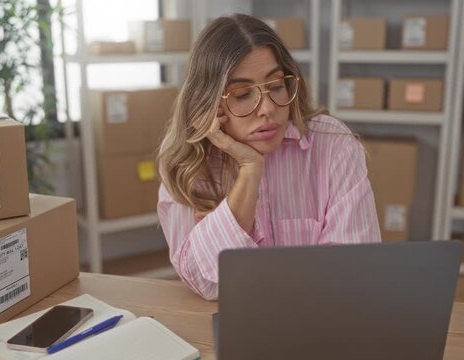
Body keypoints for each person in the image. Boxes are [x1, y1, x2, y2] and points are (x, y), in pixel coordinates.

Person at [157, 14, 381, 300]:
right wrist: (250, 169)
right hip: (231, 326)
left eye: (276, 86)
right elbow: (204, 281)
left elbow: (354, 271)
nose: (267, 108)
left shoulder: (332, 144)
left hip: (322, 323)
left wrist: (245, 263)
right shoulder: (188, 161)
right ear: (209, 102)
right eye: (242, 94)